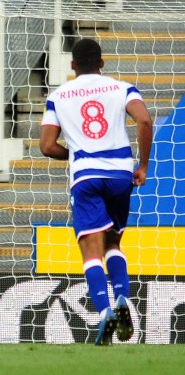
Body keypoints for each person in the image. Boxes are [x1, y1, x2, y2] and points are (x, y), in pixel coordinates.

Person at [40, 38, 152, 346]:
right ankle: (122, 301)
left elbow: (47, 146)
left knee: (91, 250)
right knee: (113, 243)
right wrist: (141, 166)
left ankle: (104, 312)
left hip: (86, 177)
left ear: (73, 66)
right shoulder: (121, 88)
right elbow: (143, 119)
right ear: (102, 63)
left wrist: (76, 154)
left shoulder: (59, 95)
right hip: (120, 175)